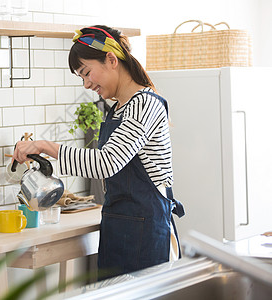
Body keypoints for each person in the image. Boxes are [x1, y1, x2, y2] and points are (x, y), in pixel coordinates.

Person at [12, 25, 185, 279]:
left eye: (87, 73)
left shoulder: (145, 105)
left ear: (111, 60)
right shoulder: (118, 109)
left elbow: (106, 163)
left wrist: (45, 146)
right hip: (119, 227)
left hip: (146, 233)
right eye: (81, 78)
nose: (86, 83)